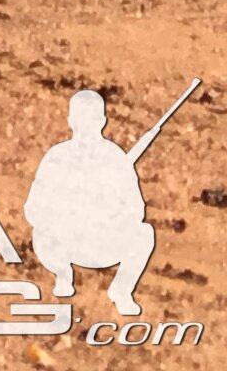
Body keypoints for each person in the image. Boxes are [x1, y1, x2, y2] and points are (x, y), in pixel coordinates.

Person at [25, 89, 158, 316]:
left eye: (92, 119)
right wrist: (65, 213)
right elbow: (33, 208)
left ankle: (121, 290)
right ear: (71, 121)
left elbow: (136, 210)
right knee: (40, 233)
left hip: (103, 242)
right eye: (81, 119)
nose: (86, 125)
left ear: (102, 121)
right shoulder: (57, 156)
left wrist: (108, 214)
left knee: (144, 234)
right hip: (65, 243)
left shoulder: (116, 158)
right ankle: (63, 275)